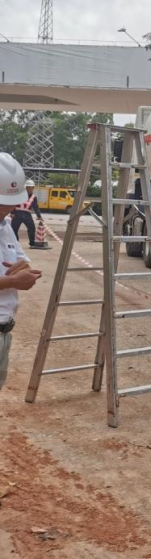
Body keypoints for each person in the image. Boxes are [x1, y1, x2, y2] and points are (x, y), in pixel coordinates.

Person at [0, 154, 43, 392]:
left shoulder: (5, 227)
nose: (9, 209)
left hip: (4, 330)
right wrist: (11, 281)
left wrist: (23, 272)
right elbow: (15, 276)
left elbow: (22, 261)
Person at [11, 179, 47, 250]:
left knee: (32, 228)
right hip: (17, 215)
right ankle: (16, 243)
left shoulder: (34, 197)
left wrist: (39, 216)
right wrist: (12, 213)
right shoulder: (19, 195)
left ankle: (32, 243)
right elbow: (12, 204)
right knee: (14, 229)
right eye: (28, 187)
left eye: (31, 187)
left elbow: (36, 207)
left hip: (27, 215)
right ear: (25, 188)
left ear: (33, 188)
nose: (29, 189)